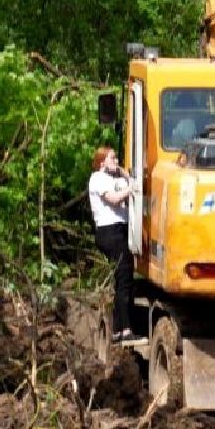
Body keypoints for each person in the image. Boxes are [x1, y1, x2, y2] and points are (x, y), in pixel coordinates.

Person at [88, 146, 135, 343]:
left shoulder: (116, 179)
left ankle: (117, 328)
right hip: (110, 231)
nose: (116, 161)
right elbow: (114, 199)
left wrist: (123, 173)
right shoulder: (97, 179)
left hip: (121, 230)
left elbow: (130, 182)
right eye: (112, 158)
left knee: (123, 278)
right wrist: (131, 189)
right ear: (102, 162)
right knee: (124, 277)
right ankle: (125, 329)